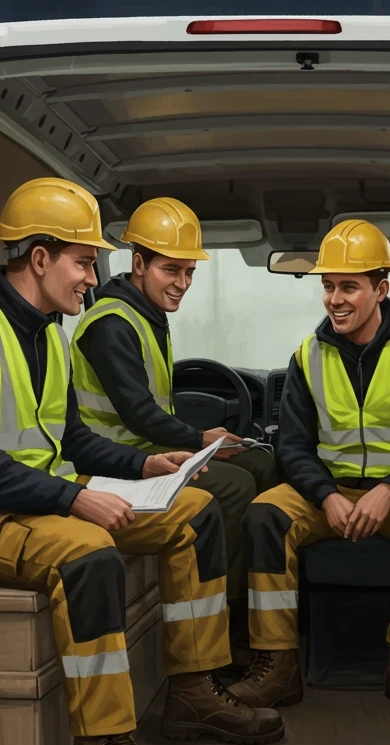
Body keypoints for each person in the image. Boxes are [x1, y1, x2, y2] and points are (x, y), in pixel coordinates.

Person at [0, 177, 283, 745]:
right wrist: (74, 499)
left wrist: (147, 464)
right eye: (85, 263)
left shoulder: (50, 333)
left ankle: (193, 691)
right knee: (89, 554)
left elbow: (71, 440)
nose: (93, 279)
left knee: (196, 512)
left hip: (43, 494)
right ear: (40, 258)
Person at [227, 219, 390, 718]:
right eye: (328, 286)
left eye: (348, 287)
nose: (335, 299)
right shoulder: (306, 357)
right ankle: (277, 664)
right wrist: (326, 495)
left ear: (381, 290)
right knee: (263, 515)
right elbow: (293, 447)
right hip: (326, 491)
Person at [69, 196, 279, 651]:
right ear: (139, 264)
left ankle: (261, 608)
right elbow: (140, 414)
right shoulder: (111, 323)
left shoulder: (147, 314)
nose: (182, 283)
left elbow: (153, 412)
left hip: (144, 452)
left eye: (189, 272)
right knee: (235, 486)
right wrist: (202, 439)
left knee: (261, 465)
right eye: (171, 270)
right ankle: (229, 618)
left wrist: (204, 445)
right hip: (110, 466)